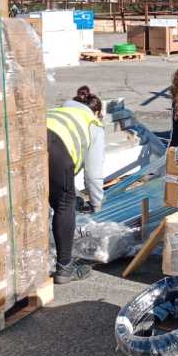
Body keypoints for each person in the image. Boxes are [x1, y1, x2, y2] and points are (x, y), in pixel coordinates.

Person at [46, 86, 105, 284]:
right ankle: (64, 269)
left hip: (31, 140)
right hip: (56, 148)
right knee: (64, 203)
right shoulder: (93, 123)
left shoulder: (57, 112)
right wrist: (96, 203)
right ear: (96, 112)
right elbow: (93, 174)